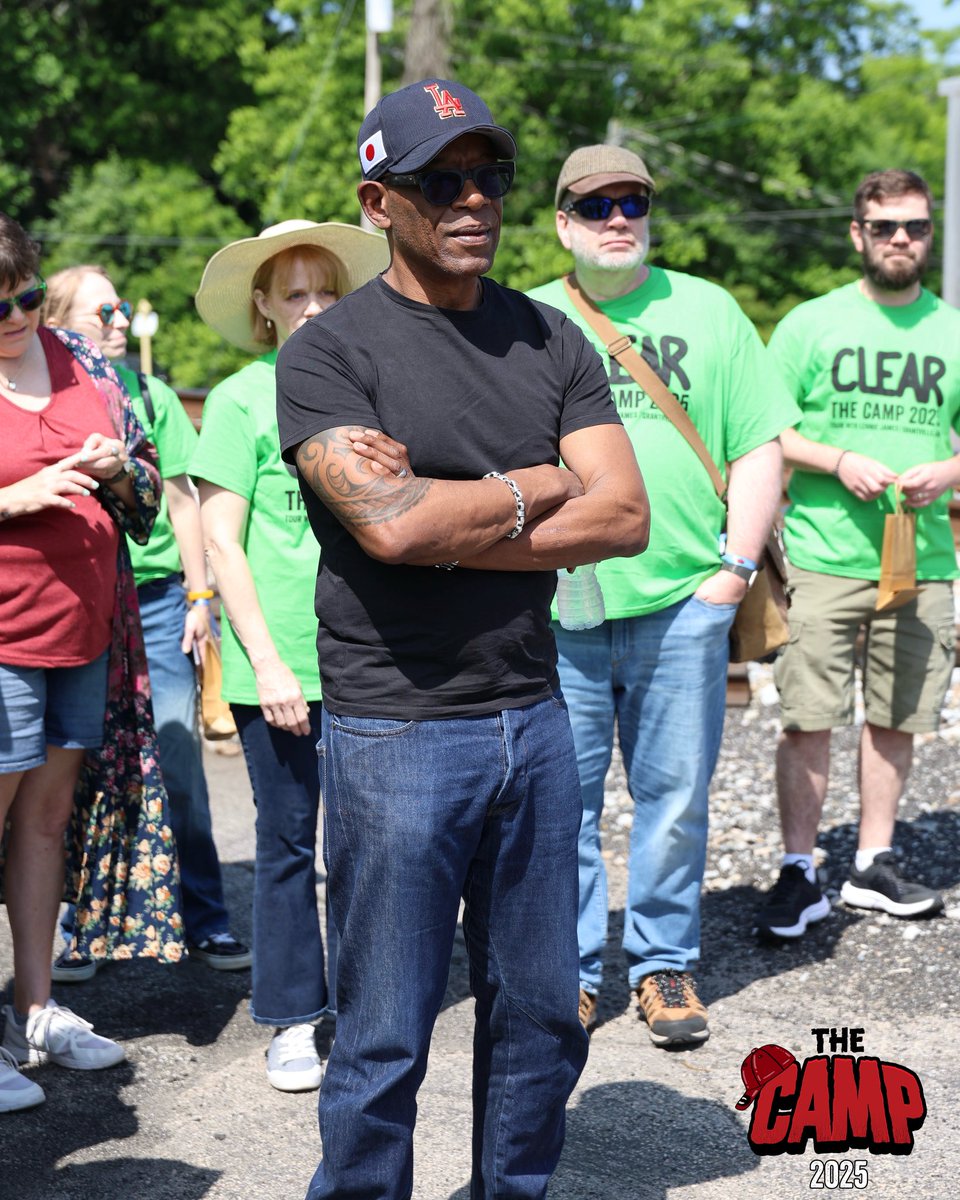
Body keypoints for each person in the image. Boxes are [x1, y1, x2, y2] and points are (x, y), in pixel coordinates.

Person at [276, 81, 650, 1199]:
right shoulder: (329, 354)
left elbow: (624, 515)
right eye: (444, 180)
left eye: (492, 176)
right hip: (394, 726)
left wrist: (456, 511)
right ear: (378, 200)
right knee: (385, 1034)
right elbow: (388, 529)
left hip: (534, 717)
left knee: (541, 1015)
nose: (476, 199)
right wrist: (541, 487)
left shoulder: (551, 335)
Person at [527, 145, 799, 1046]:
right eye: (595, 205)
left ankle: (662, 965)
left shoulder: (711, 311)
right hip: (558, 605)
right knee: (558, 803)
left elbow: (760, 442)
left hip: (687, 598)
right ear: (563, 222)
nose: (616, 219)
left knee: (675, 797)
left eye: (631, 203)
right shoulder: (524, 317)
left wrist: (736, 569)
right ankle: (564, 971)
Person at [191, 219, 389, 1092]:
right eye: (295, 292)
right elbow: (223, 543)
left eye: (328, 290)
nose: (314, 307)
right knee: (284, 845)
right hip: (282, 662)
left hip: (377, 659)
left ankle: (369, 1005)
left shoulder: (378, 384)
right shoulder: (239, 398)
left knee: (375, 846)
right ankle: (292, 1020)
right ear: (265, 307)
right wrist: (265, 663)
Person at [757, 169, 960, 940]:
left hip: (924, 559)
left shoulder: (952, 329)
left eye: (914, 226)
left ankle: (873, 862)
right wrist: (838, 461)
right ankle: (799, 869)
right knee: (809, 716)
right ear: (857, 234)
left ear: (929, 234)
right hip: (823, 553)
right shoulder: (812, 323)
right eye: (885, 227)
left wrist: (948, 469)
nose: (901, 240)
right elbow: (770, 431)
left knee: (896, 717)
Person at [0, 212, 174, 1112]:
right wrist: (16, 493)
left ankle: (36, 1007)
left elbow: (148, 494)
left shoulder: (88, 363)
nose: (19, 315)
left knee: (45, 820)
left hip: (83, 634)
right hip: (3, 637)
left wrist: (115, 469)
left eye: (27, 294)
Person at [43, 265, 250, 978]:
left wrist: (200, 598)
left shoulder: (150, 393)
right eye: (105, 311)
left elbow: (186, 499)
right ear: (62, 320)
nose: (121, 321)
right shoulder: (52, 391)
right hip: (82, 599)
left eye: (123, 307)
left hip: (159, 600)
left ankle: (207, 918)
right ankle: (84, 928)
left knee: (178, 758)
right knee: (75, 768)